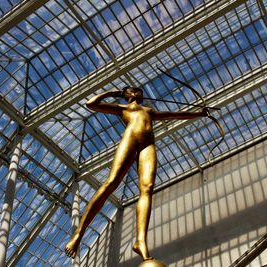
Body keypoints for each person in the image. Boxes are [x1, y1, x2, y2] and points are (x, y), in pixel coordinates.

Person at [65, 87, 209, 260]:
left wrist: (199, 114)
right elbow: (91, 104)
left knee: (147, 189)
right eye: (135, 91)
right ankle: (78, 235)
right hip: (131, 139)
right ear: (129, 95)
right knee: (111, 183)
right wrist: (112, 93)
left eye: (140, 91)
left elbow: (173, 114)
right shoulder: (124, 108)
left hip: (148, 145)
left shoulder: (149, 111)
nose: (140, 93)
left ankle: (140, 241)